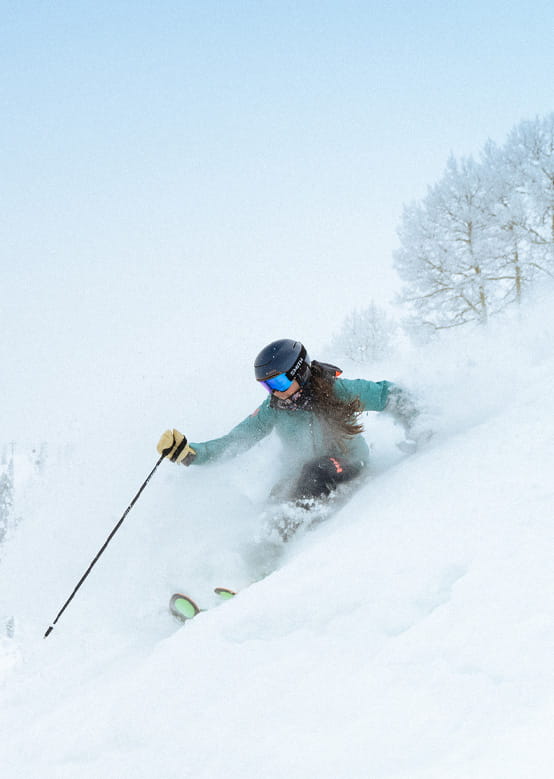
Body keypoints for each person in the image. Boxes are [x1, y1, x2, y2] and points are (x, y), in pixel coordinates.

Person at [157, 339, 422, 537]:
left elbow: (386, 394)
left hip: (348, 463)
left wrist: (421, 424)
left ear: (300, 372)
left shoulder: (336, 391)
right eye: (267, 386)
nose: (275, 392)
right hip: (305, 473)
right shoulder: (273, 409)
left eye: (280, 383)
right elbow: (236, 440)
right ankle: (252, 558)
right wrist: (191, 453)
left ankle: (285, 543)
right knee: (277, 495)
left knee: (315, 471)